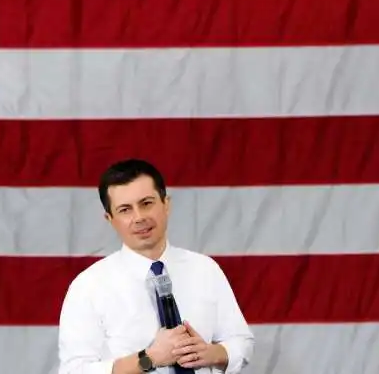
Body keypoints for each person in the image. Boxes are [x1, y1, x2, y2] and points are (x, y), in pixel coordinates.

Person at [57, 158, 254, 374]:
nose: (139, 217)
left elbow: (241, 342)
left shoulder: (205, 269)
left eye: (146, 203)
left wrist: (210, 353)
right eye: (125, 210)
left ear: (166, 204)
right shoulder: (88, 286)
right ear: (110, 219)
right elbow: (74, 371)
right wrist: (149, 359)